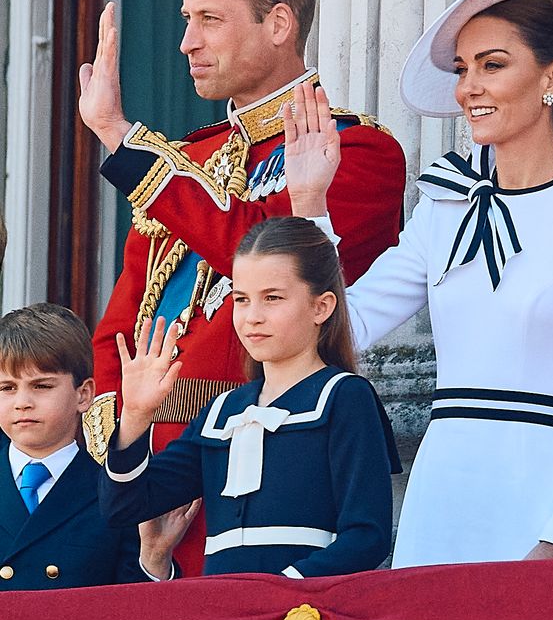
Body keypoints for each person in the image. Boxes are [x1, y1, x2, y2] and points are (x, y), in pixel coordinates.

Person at [286, 0, 553, 567]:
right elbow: (347, 325)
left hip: (541, 492)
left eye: (491, 65)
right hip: (440, 492)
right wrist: (311, 203)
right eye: (462, 69)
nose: (468, 88)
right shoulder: (445, 204)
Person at [78, 0, 405, 574]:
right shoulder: (187, 160)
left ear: (278, 22)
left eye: (209, 20)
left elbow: (258, 248)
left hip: (271, 460)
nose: (187, 43)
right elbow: (123, 323)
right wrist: (128, 439)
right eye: (185, 21)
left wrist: (120, 137)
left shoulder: (360, 152)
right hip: (149, 471)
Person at [100, 217, 400, 576]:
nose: (252, 317)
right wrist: (134, 415)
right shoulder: (221, 412)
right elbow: (125, 507)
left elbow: (368, 536)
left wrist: (284, 589)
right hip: (225, 614)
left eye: (272, 298)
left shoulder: (344, 397)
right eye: (241, 300)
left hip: (306, 618)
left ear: (321, 307)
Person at [0, 303, 190, 589]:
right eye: (7, 388)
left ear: (84, 394)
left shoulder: (113, 496)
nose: (22, 402)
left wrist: (154, 558)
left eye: (42, 386)